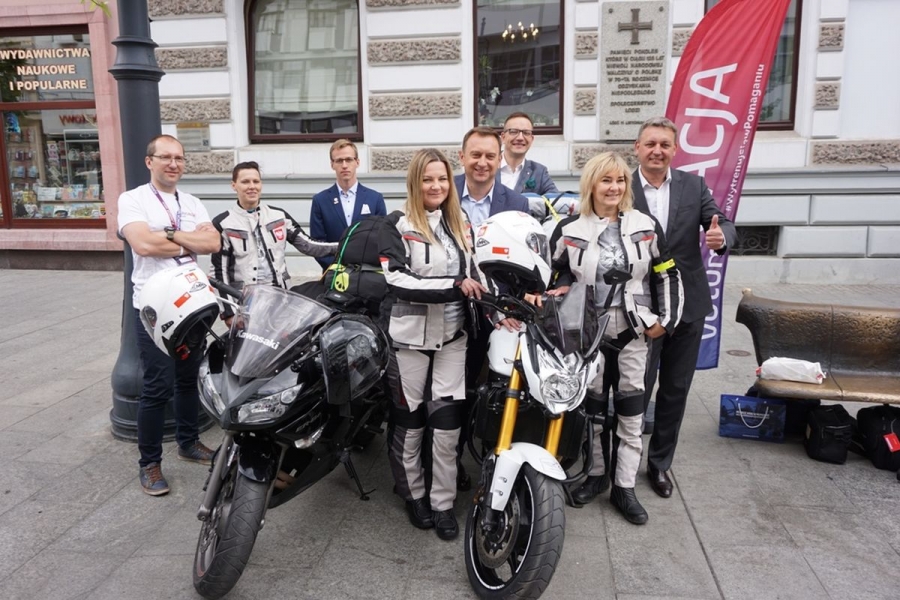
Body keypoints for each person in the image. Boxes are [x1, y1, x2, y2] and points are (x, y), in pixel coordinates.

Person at [547, 151, 683, 524]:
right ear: (591, 184)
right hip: (588, 333)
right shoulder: (569, 229)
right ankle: (595, 475)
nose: (614, 187)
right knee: (591, 410)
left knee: (631, 410)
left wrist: (667, 320)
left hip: (634, 330)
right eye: (606, 180)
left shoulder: (646, 224)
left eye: (620, 180)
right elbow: (554, 272)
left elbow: (667, 273)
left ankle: (624, 486)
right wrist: (562, 286)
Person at [380, 148, 487, 541]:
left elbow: (477, 274)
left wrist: (507, 305)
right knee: (410, 423)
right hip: (408, 339)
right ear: (415, 182)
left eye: (442, 178)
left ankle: (442, 503)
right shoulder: (396, 223)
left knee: (446, 425)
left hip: (453, 338)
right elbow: (397, 279)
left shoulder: (462, 224)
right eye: (427, 179)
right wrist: (454, 285)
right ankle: (413, 495)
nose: (436, 186)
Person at [631, 117, 737, 499]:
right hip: (640, 305)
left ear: (675, 150)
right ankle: (623, 462)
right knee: (636, 389)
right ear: (637, 148)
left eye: (665, 144)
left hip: (688, 304)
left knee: (675, 390)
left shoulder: (694, 185)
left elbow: (723, 222)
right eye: (650, 144)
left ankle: (659, 464)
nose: (657, 151)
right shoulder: (621, 185)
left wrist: (721, 236)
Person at [117, 134, 221, 496]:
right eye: (166, 157)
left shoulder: (192, 202)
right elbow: (143, 244)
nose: (174, 164)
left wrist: (169, 234)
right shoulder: (133, 200)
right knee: (157, 386)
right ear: (150, 162)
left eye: (179, 158)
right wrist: (187, 237)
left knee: (187, 380)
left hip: (190, 303)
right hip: (153, 308)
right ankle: (149, 463)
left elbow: (213, 243)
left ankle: (188, 443)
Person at [453, 126, 530, 489]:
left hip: (500, 313)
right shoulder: (443, 191)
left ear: (500, 160)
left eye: (489, 156)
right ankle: (451, 459)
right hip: (453, 308)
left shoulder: (516, 203)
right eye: (475, 155)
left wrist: (515, 305)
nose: (482, 162)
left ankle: (491, 459)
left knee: (498, 388)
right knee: (457, 388)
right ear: (462, 157)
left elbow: (524, 262)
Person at [210, 161, 337, 323]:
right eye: (245, 182)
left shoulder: (279, 216)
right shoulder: (223, 223)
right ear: (234, 185)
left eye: (256, 181)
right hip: (245, 303)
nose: (252, 186)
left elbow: (308, 245)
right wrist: (229, 313)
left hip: (281, 301)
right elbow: (219, 272)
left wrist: (344, 246)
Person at [310, 139, 386, 271]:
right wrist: (336, 268)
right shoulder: (320, 201)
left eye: (349, 160)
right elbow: (318, 244)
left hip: (367, 274)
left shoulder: (375, 199)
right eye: (339, 161)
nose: (344, 165)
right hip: (333, 274)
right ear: (332, 164)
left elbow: (382, 239)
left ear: (357, 162)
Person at [496, 112, 559, 196]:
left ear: (532, 139)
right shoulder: (488, 165)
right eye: (514, 132)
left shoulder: (539, 172)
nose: (520, 138)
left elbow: (555, 199)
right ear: (503, 137)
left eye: (526, 133)